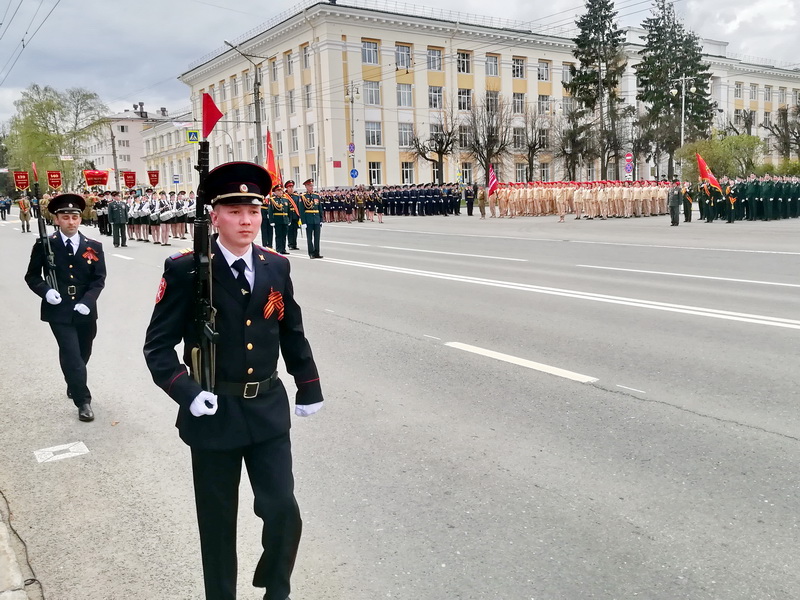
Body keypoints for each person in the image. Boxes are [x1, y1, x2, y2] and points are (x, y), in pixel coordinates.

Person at [143, 162, 323, 600]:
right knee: (218, 526)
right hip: (214, 415)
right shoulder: (186, 270)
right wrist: (187, 393)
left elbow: (290, 329)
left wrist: (308, 383)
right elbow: (158, 347)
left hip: (266, 410)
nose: (247, 221)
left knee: (283, 510)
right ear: (215, 216)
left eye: (254, 211)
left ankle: (275, 588)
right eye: (235, 211)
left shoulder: (276, 266)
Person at [24, 193, 106, 422]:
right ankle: (83, 401)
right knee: (71, 354)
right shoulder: (44, 244)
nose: (71, 222)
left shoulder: (94, 246)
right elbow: (31, 276)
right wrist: (46, 291)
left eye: (74, 217)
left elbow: (99, 279)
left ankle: (73, 380)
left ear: (80, 219)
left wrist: (88, 301)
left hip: (85, 308)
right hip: (58, 310)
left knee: (83, 351)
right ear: (57, 219)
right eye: (65, 217)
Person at [301, 178, 323, 258]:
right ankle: (311, 253)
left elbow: (320, 208)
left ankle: (317, 253)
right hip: (308, 220)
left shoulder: (316, 196)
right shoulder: (303, 197)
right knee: (309, 238)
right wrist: (303, 222)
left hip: (316, 219)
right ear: (306, 186)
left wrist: (321, 220)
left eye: (312, 185)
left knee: (317, 238)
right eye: (310, 186)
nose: (311, 187)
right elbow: (301, 210)